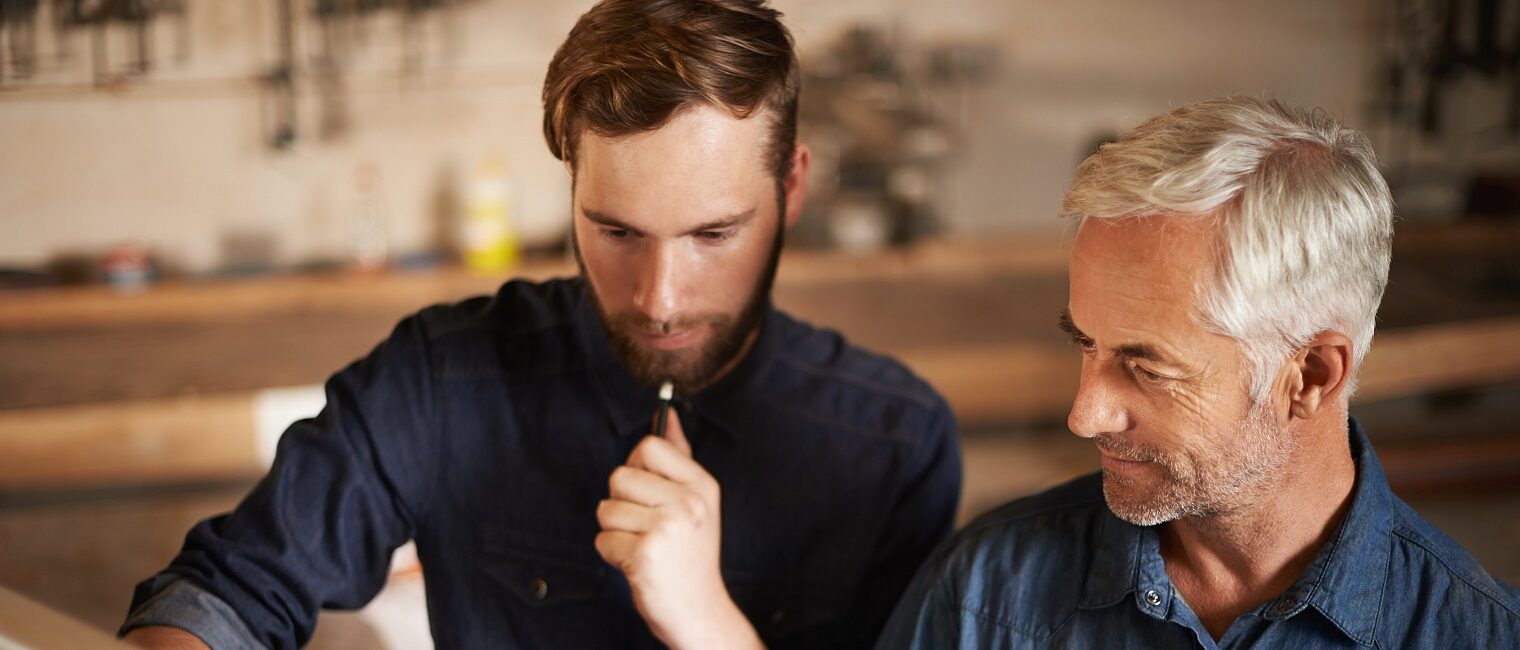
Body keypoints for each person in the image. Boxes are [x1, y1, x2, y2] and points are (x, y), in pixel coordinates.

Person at [119, 1, 962, 648]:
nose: (661, 297)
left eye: (713, 235)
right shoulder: (439, 379)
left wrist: (708, 622)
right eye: (617, 231)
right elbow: (225, 592)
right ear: (570, 195)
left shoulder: (897, 442)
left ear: (792, 189)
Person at [877, 96, 1520, 648]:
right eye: (1086, 344)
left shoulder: (1477, 635)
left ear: (1312, 375)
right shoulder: (984, 592)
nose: (1084, 415)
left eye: (1146, 369)